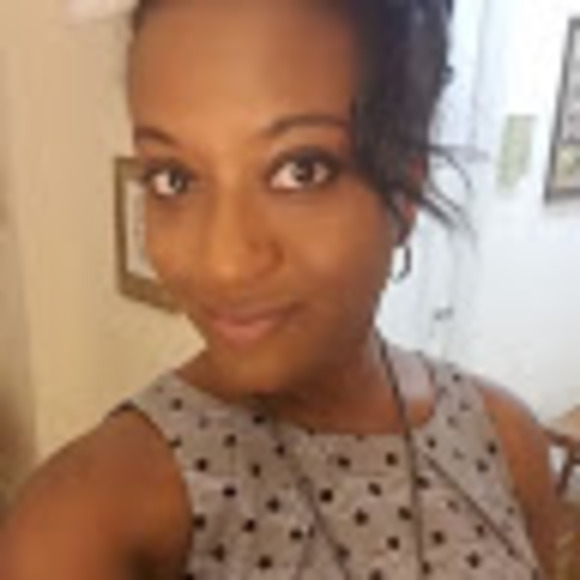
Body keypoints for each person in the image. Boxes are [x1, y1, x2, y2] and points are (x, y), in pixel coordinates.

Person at [0, 0, 559, 578]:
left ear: (405, 192)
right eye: (174, 178)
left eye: (301, 170)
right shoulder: (85, 523)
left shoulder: (505, 439)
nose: (224, 265)